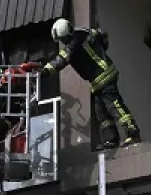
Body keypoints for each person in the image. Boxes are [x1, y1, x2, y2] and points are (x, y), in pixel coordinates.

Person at [40, 18, 141, 147]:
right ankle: (111, 139)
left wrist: (44, 71)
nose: (63, 42)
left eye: (62, 39)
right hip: (98, 79)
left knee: (115, 105)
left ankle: (133, 133)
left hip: (104, 76)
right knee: (101, 112)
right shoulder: (84, 32)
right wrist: (103, 49)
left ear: (65, 36)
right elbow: (102, 34)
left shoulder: (73, 43)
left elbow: (61, 60)